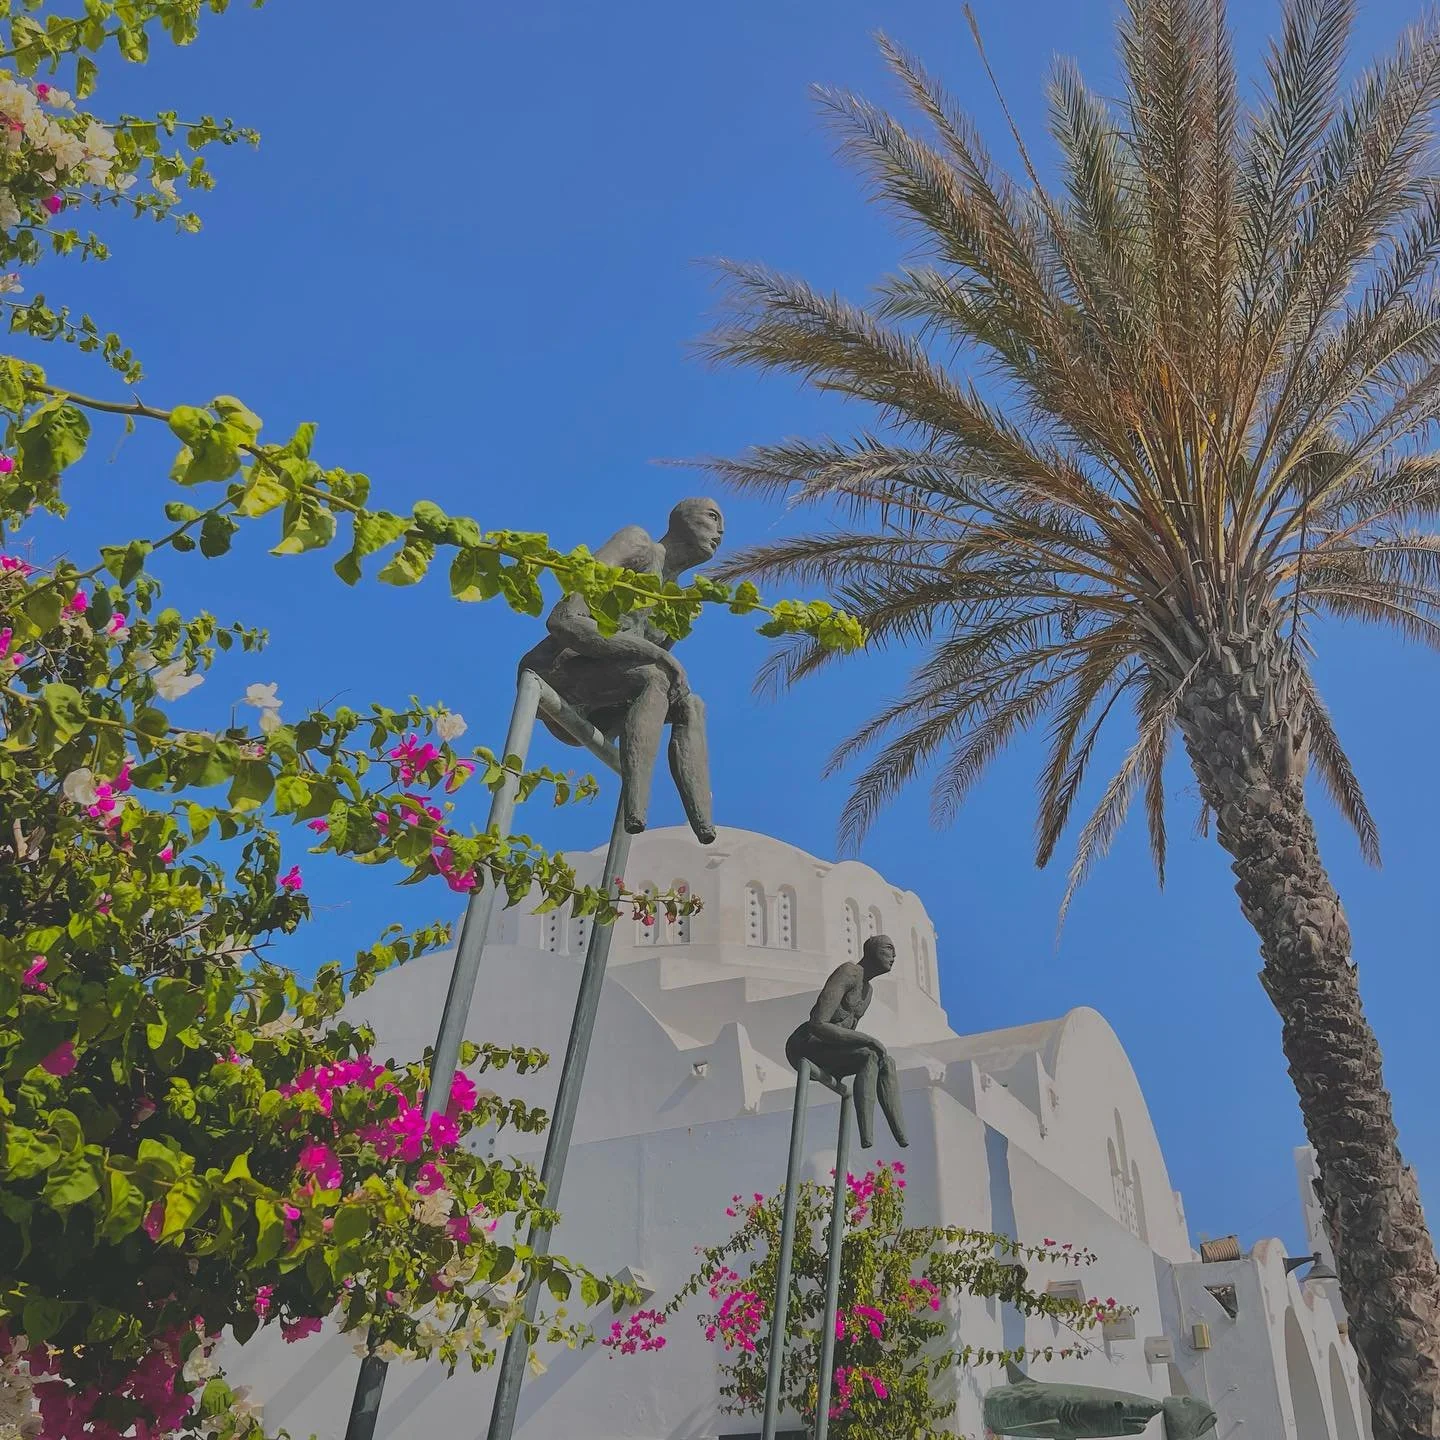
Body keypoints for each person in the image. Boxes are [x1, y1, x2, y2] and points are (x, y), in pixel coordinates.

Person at [518, 498, 723, 843]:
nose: (720, 532)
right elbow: (564, 619)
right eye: (712, 518)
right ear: (680, 519)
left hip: (600, 706)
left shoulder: (678, 602)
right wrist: (658, 657)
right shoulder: (639, 545)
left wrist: (661, 662)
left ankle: (703, 825)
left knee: (690, 704)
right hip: (557, 673)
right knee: (656, 675)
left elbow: (644, 677)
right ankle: (636, 807)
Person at [785, 934, 909, 1149]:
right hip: (805, 1045)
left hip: (830, 1050)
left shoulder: (868, 991)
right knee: (869, 1054)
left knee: (886, 1062)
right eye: (889, 949)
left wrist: (869, 1045)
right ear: (871, 951)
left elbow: (848, 1034)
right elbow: (818, 1023)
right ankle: (866, 1135)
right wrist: (870, 1040)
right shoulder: (849, 972)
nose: (894, 955)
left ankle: (900, 1134)